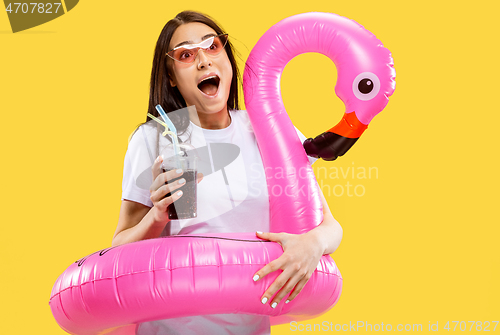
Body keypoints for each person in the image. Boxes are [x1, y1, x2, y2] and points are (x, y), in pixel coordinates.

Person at [112, 10, 343, 335]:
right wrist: (158, 216)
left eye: (213, 47)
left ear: (228, 59)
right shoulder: (157, 138)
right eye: (186, 54)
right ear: (172, 77)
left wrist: (313, 244)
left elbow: (330, 226)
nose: (204, 61)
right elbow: (118, 250)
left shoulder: (269, 129)